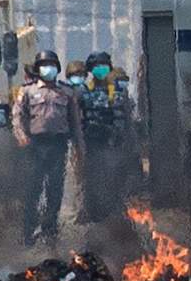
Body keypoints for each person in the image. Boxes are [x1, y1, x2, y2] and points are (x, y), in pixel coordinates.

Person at [12, 50, 84, 247]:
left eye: (51, 64)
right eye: (44, 64)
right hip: (34, 146)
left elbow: (75, 123)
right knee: (32, 190)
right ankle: (28, 232)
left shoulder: (66, 92)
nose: (48, 68)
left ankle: (49, 231)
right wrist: (22, 137)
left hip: (58, 145)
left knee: (55, 191)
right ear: (38, 68)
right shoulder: (27, 91)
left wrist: (80, 147)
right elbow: (17, 117)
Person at [79, 52, 134, 224]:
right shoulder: (82, 92)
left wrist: (127, 141)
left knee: (115, 179)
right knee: (93, 181)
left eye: (103, 65)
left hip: (114, 143)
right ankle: (94, 216)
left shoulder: (118, 92)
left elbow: (126, 119)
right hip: (92, 144)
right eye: (96, 66)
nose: (100, 69)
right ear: (90, 69)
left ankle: (116, 215)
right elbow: (77, 120)